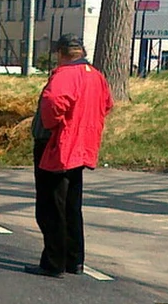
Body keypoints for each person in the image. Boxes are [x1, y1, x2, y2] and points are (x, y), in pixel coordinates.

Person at [26, 33, 113, 278]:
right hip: (83, 145)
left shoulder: (65, 75)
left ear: (61, 53)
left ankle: (53, 262)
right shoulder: (96, 76)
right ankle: (74, 260)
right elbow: (107, 104)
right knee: (72, 205)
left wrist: (54, 122)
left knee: (50, 207)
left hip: (58, 145)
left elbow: (53, 101)